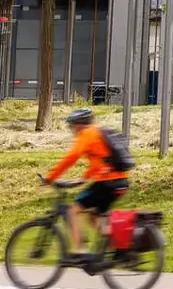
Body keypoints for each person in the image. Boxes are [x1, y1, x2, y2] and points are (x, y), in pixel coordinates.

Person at [42, 107, 128, 265]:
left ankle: (80, 251)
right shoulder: (97, 132)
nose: (72, 130)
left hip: (107, 182)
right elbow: (100, 162)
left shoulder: (86, 134)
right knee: (92, 216)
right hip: (120, 182)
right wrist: (82, 179)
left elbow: (71, 157)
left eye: (72, 125)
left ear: (79, 124)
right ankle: (120, 248)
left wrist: (50, 178)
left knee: (74, 210)